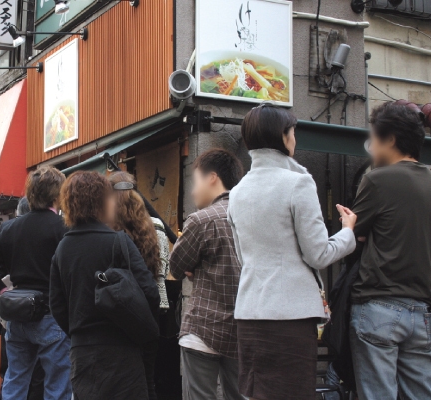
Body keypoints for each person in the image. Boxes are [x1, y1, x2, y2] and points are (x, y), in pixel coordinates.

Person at [227, 104, 357, 400]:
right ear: (284, 137)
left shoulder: (238, 192)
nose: (295, 139)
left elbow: (242, 257)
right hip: (291, 318)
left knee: (255, 393)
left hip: (249, 314)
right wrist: (348, 232)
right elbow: (319, 254)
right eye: (293, 132)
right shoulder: (298, 183)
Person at [50, 171, 160, 400]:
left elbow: (57, 305)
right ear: (101, 202)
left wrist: (78, 328)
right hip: (122, 349)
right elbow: (150, 292)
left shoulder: (63, 248)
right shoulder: (118, 241)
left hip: (82, 353)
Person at [349, 102, 431, 400]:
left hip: (378, 305)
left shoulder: (377, 179)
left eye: (374, 139)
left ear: (390, 139)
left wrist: (350, 225)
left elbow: (352, 237)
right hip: (423, 311)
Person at [0, 167, 71, 400]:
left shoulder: (11, 228)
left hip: (18, 314)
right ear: (58, 195)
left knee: (15, 380)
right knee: (57, 385)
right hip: (52, 314)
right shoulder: (63, 227)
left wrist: (3, 290)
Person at [170, 148, 244, 400]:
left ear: (212, 177)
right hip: (242, 329)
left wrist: (196, 265)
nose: (192, 190)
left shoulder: (201, 220)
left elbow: (176, 267)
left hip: (203, 329)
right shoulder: (251, 216)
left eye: (196, 181)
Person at [108, 171, 169, 400]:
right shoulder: (157, 227)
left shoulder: (108, 231)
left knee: (120, 379)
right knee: (147, 376)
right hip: (151, 311)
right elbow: (163, 269)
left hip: (119, 312)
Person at [0, 197, 45, 400]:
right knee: (39, 374)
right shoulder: (45, 231)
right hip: (41, 310)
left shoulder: (7, 231)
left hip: (11, 312)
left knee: (13, 373)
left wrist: (2, 291)